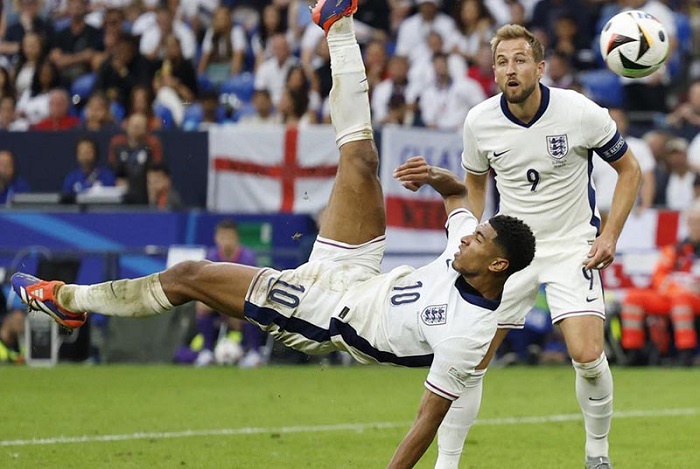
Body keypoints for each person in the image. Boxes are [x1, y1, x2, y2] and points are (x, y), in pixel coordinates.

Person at [11, 3, 536, 467]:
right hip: (354, 271)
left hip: (322, 315)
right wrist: (439, 179)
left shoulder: (468, 334)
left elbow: (425, 422)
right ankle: (338, 22)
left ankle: (67, 300)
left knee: (190, 275)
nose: (466, 238)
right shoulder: (465, 252)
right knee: (360, 158)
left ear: (496, 266)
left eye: (478, 241)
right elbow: (458, 200)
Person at [438, 24, 642, 469]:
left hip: (572, 245)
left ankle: (597, 455)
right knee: (468, 360)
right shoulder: (479, 121)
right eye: (502, 62)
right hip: (510, 251)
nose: (511, 69)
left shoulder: (579, 111)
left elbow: (630, 170)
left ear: (540, 67)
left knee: (587, 356)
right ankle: (447, 463)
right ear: (494, 72)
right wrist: (467, 237)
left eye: (520, 60)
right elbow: (474, 185)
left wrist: (609, 235)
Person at [619, 201, 700, 367]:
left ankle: (685, 353)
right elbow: (659, 276)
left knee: (681, 300)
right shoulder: (677, 249)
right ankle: (633, 352)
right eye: (692, 222)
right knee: (633, 298)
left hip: (692, 298)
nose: (694, 226)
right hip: (673, 295)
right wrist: (676, 289)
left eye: (697, 222)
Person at [108, 112, 163, 204]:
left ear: (145, 130)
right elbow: (112, 168)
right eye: (133, 126)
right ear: (127, 126)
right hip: (122, 192)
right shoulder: (118, 145)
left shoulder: (149, 147)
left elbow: (155, 169)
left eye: (139, 127)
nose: (135, 129)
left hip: (143, 192)